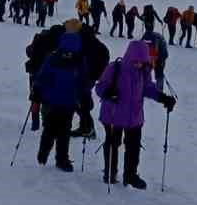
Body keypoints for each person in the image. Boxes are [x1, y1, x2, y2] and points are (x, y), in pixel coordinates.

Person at [94, 38, 175, 188]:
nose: (139, 64)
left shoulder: (143, 71)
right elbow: (99, 88)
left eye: (142, 61)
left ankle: (130, 175)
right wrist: (107, 92)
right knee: (113, 143)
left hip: (134, 116)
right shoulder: (115, 68)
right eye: (136, 61)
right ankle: (110, 172)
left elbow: (148, 88)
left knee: (133, 146)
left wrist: (163, 98)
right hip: (113, 114)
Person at [28, 19, 103, 171]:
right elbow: (84, 82)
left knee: (52, 129)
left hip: (57, 100)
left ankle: (49, 154)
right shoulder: (76, 60)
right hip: (66, 101)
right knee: (61, 130)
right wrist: (85, 97)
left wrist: (37, 91)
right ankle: (59, 158)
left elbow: (42, 77)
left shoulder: (55, 58)